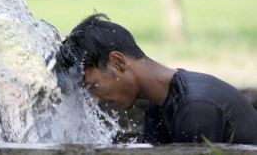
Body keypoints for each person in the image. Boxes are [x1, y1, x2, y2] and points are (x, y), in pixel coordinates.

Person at [59, 13, 257, 144]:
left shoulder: (196, 104)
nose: (95, 99)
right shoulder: (159, 103)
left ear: (117, 62)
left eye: (92, 86)